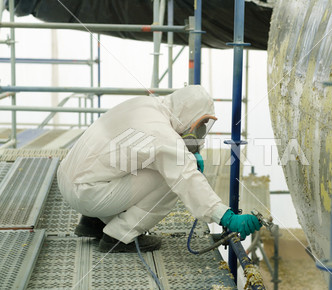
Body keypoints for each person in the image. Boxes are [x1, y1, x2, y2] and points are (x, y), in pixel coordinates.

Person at [57, 85, 262, 253]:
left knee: (136, 162)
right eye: (199, 124)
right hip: (87, 193)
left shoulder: (145, 105)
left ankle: (93, 222)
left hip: (68, 178)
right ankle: (119, 236)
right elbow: (186, 178)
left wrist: (185, 155)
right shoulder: (162, 132)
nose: (198, 131)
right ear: (188, 114)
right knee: (170, 179)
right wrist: (227, 217)